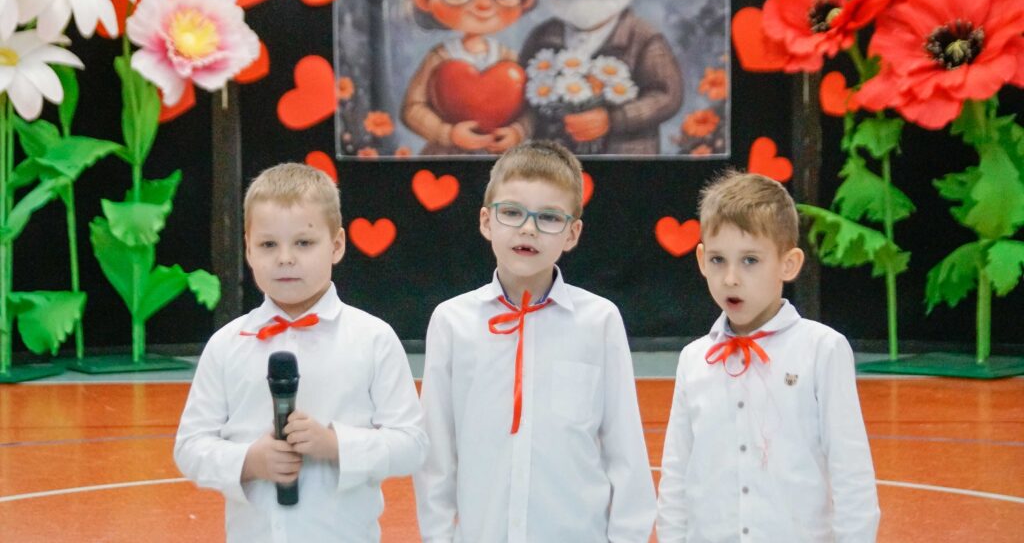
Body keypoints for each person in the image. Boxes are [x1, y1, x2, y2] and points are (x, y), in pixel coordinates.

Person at [414, 140, 656, 541]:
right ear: (486, 222)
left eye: (549, 217)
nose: (528, 228)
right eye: (511, 212)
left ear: (572, 234)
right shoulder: (452, 322)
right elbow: (436, 457)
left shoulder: (599, 321)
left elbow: (626, 450)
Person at [174, 163, 427, 543]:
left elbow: (412, 445)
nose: (285, 258)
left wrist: (336, 445)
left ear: (337, 245)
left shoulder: (373, 339)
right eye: (268, 245)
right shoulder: (227, 344)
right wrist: (249, 461)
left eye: (304, 243)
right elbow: (190, 448)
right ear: (248, 248)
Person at [656, 171, 880, 542]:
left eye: (750, 260)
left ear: (788, 264)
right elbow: (676, 473)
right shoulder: (694, 359)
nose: (730, 278)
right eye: (718, 260)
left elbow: (851, 474)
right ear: (701, 259)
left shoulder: (822, 349)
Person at [519, 0, 683, 154]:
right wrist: (519, 130)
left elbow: (666, 96)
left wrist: (614, 119)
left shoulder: (643, 38)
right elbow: (524, 99)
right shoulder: (541, 37)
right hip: (552, 165)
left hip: (627, 161)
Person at [401, 0, 536, 155]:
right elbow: (413, 108)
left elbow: (533, 107)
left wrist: (518, 131)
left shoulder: (511, 60)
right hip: (447, 156)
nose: (483, 4)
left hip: (502, 159)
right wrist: (448, 133)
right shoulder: (439, 57)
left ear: (524, 1)